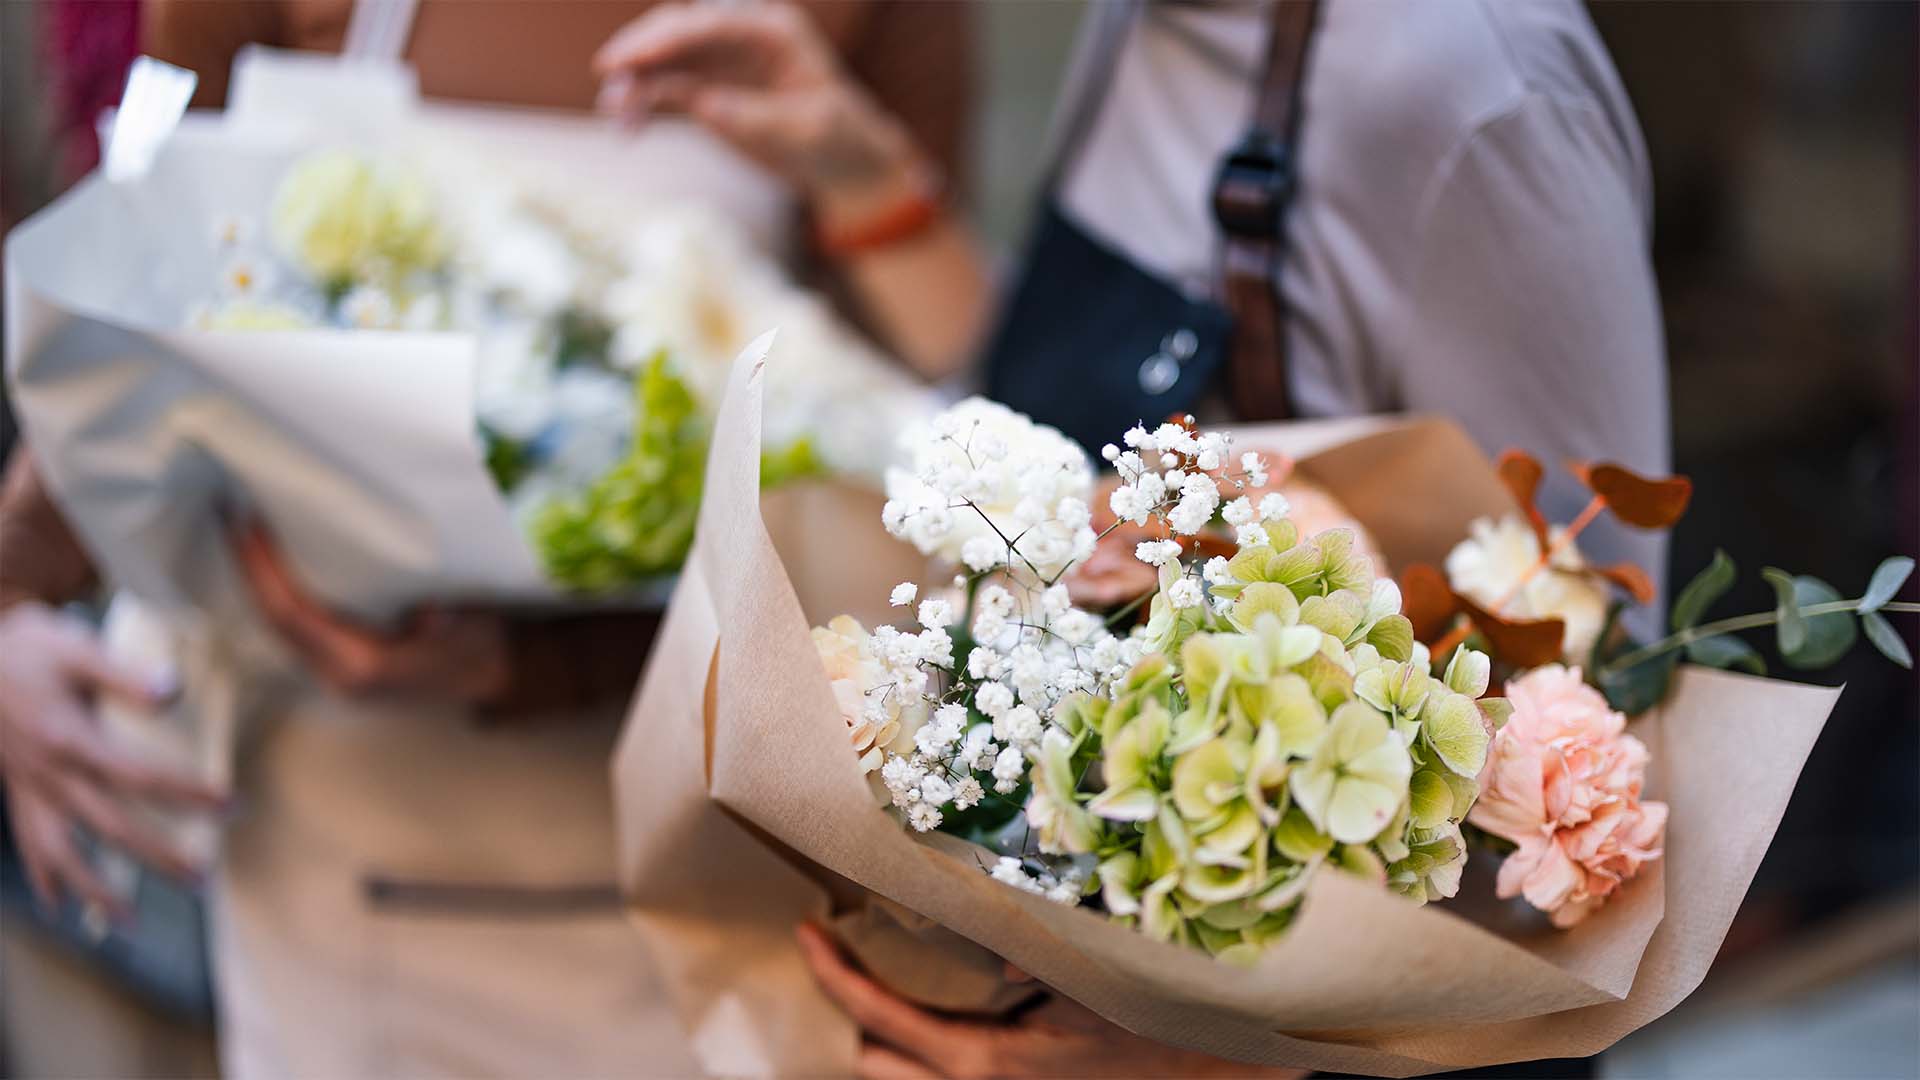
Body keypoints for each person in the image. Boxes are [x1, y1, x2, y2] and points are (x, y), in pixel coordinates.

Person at [594, 0, 1665, 1076]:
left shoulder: (1478, 90)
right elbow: (1072, 427)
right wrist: (862, 178)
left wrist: (1206, 1059)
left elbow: (1608, 710)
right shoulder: (1137, 20)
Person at [0, 1, 969, 1075]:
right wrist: (8, 607)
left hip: (718, 866)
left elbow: (937, 437)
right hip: (349, 846)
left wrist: (539, 664)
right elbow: (151, 308)